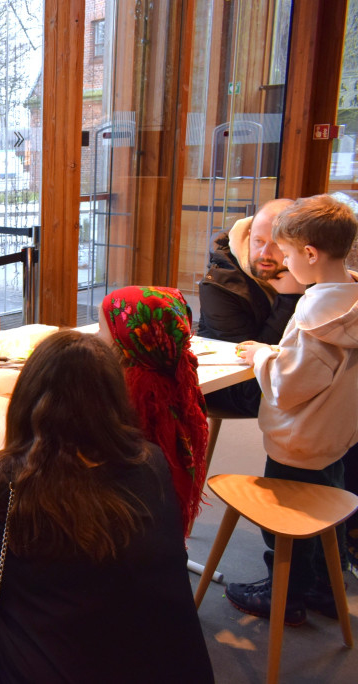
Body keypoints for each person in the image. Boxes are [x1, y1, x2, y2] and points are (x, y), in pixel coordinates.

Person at [0, 331, 213, 683]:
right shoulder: (151, 462)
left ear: (26, 401)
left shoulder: (2, 486)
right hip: (167, 666)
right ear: (114, 400)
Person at [229, 194, 358, 625]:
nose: (280, 263)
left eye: (285, 253)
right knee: (330, 507)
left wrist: (262, 358)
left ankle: (286, 593)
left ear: (309, 253)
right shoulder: (348, 301)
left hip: (300, 439)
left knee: (287, 518)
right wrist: (274, 351)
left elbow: (289, 386)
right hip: (335, 435)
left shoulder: (317, 319)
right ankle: (326, 586)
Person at [97, 285, 209, 536]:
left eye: (102, 330)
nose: (96, 336)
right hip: (161, 524)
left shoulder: (133, 398)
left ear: (127, 340)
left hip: (122, 526)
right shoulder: (175, 378)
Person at [197, 198, 305, 416]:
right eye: (258, 241)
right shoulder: (220, 284)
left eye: (276, 243)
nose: (264, 253)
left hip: (285, 367)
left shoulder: (306, 266)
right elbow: (246, 362)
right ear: (247, 237)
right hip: (235, 383)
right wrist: (290, 299)